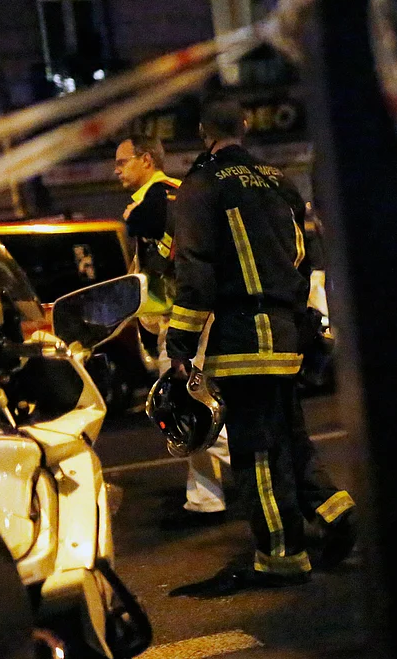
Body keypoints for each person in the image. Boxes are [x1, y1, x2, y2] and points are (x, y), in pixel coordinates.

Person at [165, 99, 356, 597]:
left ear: (204, 131)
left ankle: (280, 556)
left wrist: (180, 342)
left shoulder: (201, 186)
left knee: (257, 454)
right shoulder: (278, 181)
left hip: (243, 338)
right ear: (245, 126)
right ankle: (337, 514)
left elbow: (195, 270)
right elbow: (301, 257)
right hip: (288, 332)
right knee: (290, 436)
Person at [114, 135, 232, 527]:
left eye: (122, 162)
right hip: (174, 319)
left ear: (146, 160)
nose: (116, 170)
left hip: (185, 320)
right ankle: (204, 498)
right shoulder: (163, 196)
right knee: (185, 405)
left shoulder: (161, 197)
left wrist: (132, 216)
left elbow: (143, 223)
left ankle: (262, 459)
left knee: (186, 407)